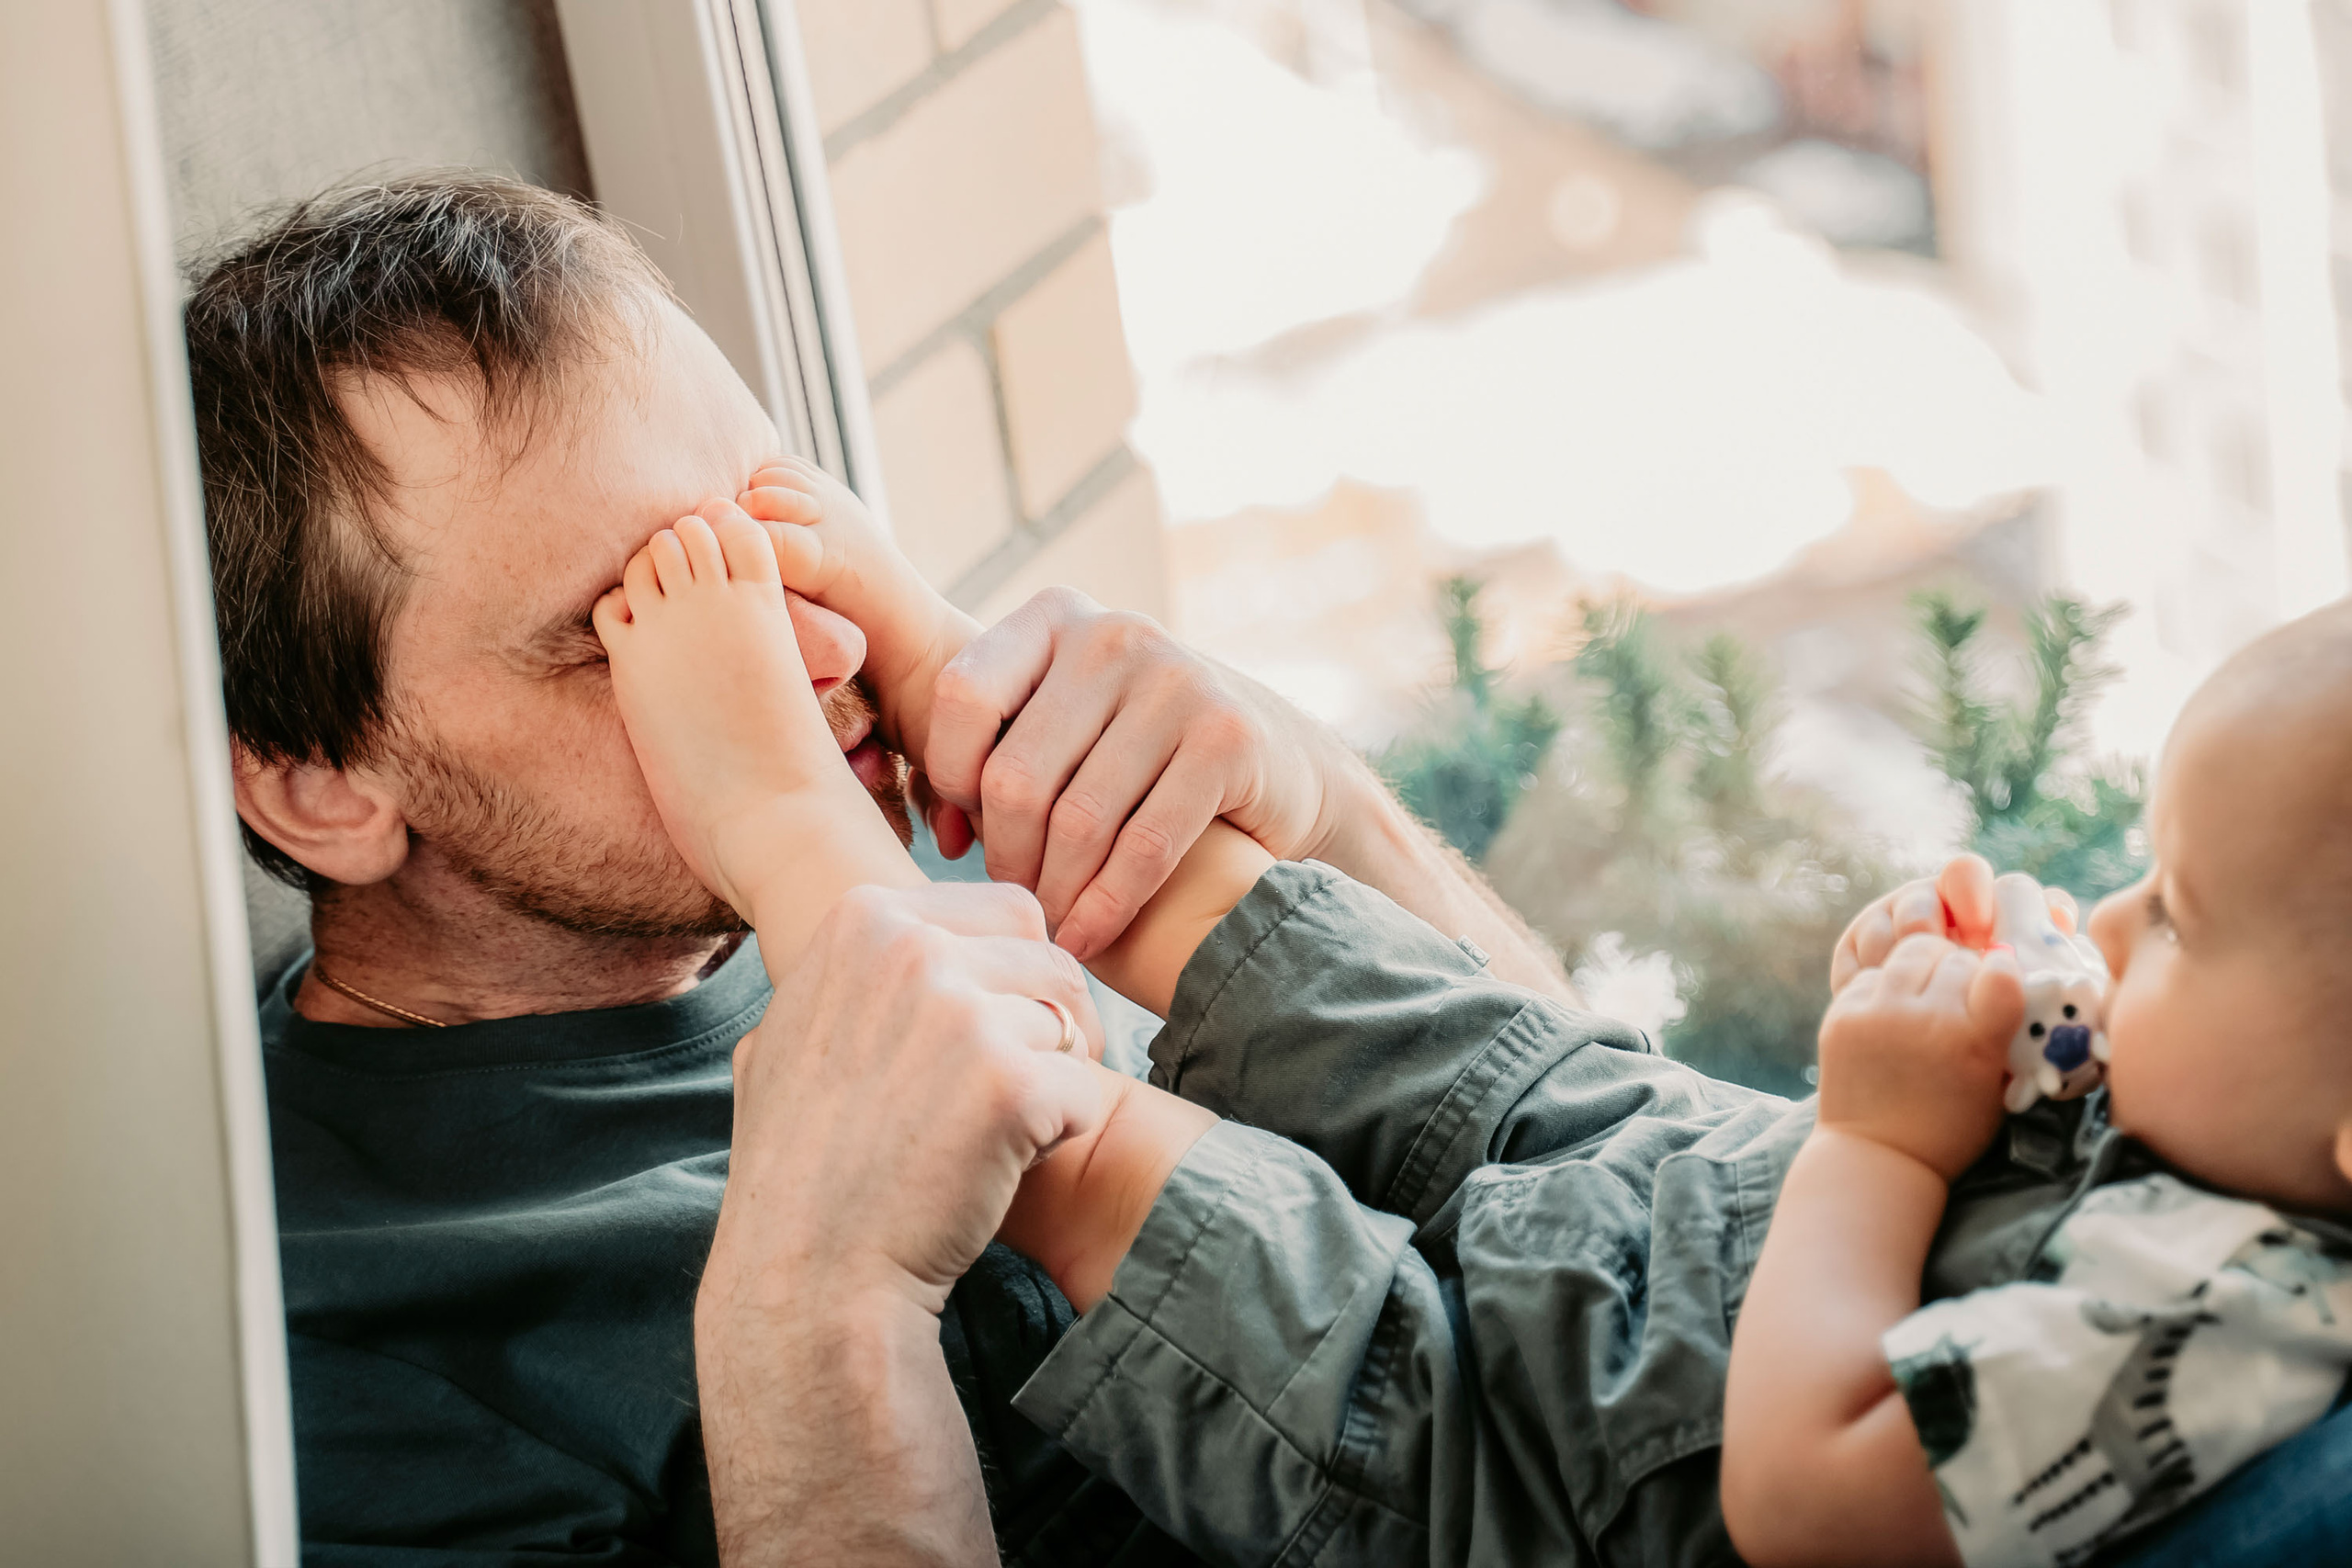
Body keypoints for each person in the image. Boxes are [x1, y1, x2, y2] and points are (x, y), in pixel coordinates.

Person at [187, 175, 1576, 1564]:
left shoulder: (933, 801)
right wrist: (816, 1309)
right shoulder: (339, 1380)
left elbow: (1603, 1259)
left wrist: (1332, 815)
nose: (826, 659)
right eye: (638, 627)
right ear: (319, 787)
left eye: (775, 536)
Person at [951, 599, 2352, 1567]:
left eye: (2175, 916)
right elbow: (2065, 1084)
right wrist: (1945, 981)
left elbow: (1803, 1496)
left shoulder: (2209, 1343)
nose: (2111, 925)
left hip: (1545, 1468)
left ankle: (812, 839)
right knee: (1325, 977)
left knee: (1070, 1139)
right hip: (1667, 1192)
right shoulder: (2257, 1118)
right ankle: (938, 674)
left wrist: (1882, 1139)